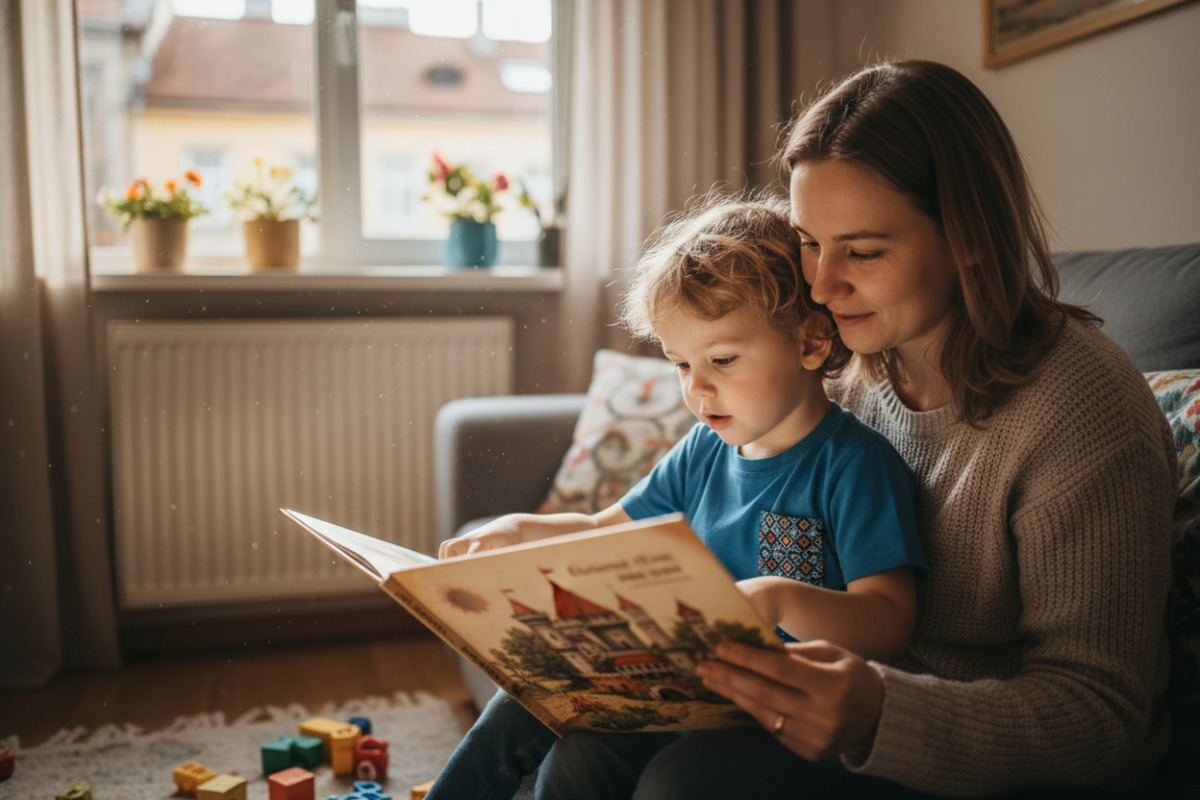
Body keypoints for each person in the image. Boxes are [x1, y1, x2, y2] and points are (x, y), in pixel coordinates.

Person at [533, 59, 1181, 799]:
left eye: (864, 252)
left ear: (969, 234)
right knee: (586, 747)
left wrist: (881, 709)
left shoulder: (1081, 408)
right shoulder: (848, 363)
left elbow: (1100, 719)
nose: (819, 285)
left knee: (685, 784)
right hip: (825, 702)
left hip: (971, 750)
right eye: (810, 241)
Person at [426, 192, 928, 800]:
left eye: (720, 359)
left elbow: (891, 622)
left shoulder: (854, 464)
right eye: (681, 365)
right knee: (544, 716)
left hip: (788, 717)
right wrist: (519, 532)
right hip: (691, 691)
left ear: (811, 343)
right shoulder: (703, 449)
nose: (698, 388)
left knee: (664, 777)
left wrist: (778, 599)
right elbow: (608, 528)